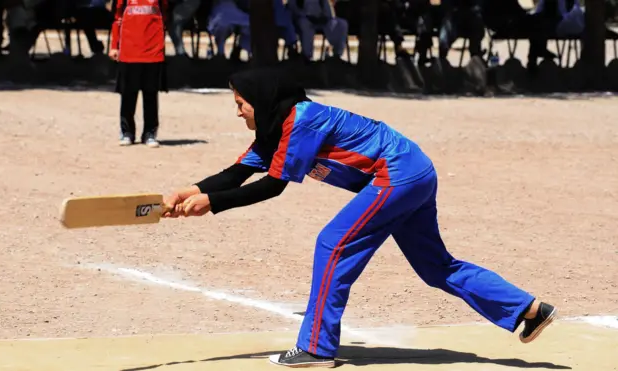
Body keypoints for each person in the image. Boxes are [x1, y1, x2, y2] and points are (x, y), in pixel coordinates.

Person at [161, 68, 558, 368]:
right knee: (436, 267)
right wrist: (192, 191)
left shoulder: (301, 121)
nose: (238, 112)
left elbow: (273, 186)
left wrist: (213, 203)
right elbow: (237, 174)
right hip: (413, 171)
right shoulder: (275, 128)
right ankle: (528, 308)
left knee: (333, 244)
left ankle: (316, 347)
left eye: (240, 104)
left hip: (396, 175)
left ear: (260, 100)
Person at [109, 0, 169, 148]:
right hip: (129, 50)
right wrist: (114, 46)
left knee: (150, 93)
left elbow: (165, 15)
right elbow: (117, 19)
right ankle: (127, 133)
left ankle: (149, 133)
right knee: (128, 93)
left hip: (153, 49)